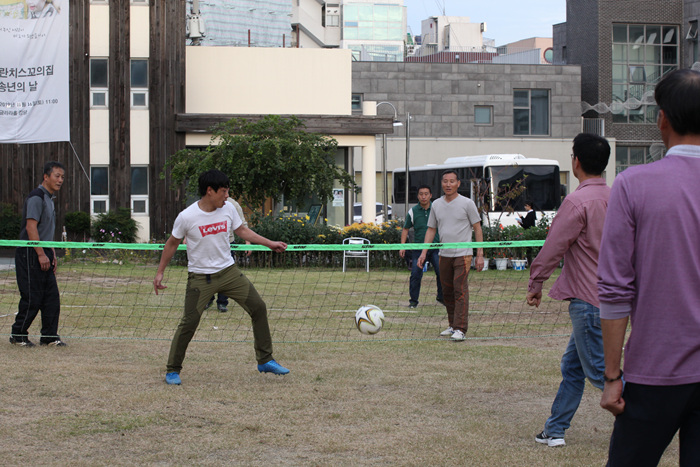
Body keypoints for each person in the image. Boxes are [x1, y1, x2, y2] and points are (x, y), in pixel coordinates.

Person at [598, 68, 700, 465]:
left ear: (662, 119)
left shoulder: (633, 184)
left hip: (656, 369)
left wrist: (612, 376)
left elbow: (615, 288)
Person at [153, 170, 290, 385]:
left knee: (258, 307)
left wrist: (269, 243)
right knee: (189, 323)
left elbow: (243, 231)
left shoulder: (228, 209)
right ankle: (172, 370)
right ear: (210, 191)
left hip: (229, 273)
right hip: (200, 278)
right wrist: (160, 272)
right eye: (224, 191)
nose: (227, 196)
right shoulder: (187, 216)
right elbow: (172, 243)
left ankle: (265, 360)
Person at [526, 133, 611, 447]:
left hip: (588, 301)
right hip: (611, 300)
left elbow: (554, 246)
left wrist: (536, 282)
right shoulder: (616, 197)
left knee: (600, 373)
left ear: (576, 162)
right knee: (573, 367)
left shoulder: (577, 202)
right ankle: (555, 429)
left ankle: (651, 420)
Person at [417, 170, 484, 341]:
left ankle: (460, 328)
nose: (448, 184)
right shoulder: (436, 205)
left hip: (463, 254)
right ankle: (452, 325)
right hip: (444, 254)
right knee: (446, 291)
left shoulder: (467, 203)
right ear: (441, 183)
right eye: (445, 181)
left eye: (452, 181)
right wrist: (423, 253)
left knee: (460, 289)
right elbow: (431, 229)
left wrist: (480, 254)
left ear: (458, 184)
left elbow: (477, 228)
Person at [10, 161, 66, 347]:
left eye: (62, 177)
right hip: (30, 253)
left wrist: (51, 253)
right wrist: (41, 254)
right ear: (46, 177)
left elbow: (45, 231)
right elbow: (31, 227)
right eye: (57, 176)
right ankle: (18, 335)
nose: (60, 180)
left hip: (44, 251)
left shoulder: (49, 199)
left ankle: (49, 337)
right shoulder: (36, 197)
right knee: (32, 297)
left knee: (51, 297)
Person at [399, 185, 444, 309]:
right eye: (421, 194)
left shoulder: (437, 210)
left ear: (430, 195)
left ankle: (441, 297)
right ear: (418, 196)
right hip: (418, 249)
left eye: (426, 194)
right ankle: (413, 301)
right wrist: (402, 246)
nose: (423, 196)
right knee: (415, 274)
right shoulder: (413, 211)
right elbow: (405, 229)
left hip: (435, 248)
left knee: (441, 272)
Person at [205, 196, 251, 313]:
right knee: (208, 272)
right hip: (209, 243)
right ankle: (207, 299)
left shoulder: (233, 205)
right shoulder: (207, 202)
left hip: (228, 244)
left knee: (225, 275)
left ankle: (222, 302)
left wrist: (248, 242)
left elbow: (242, 225)